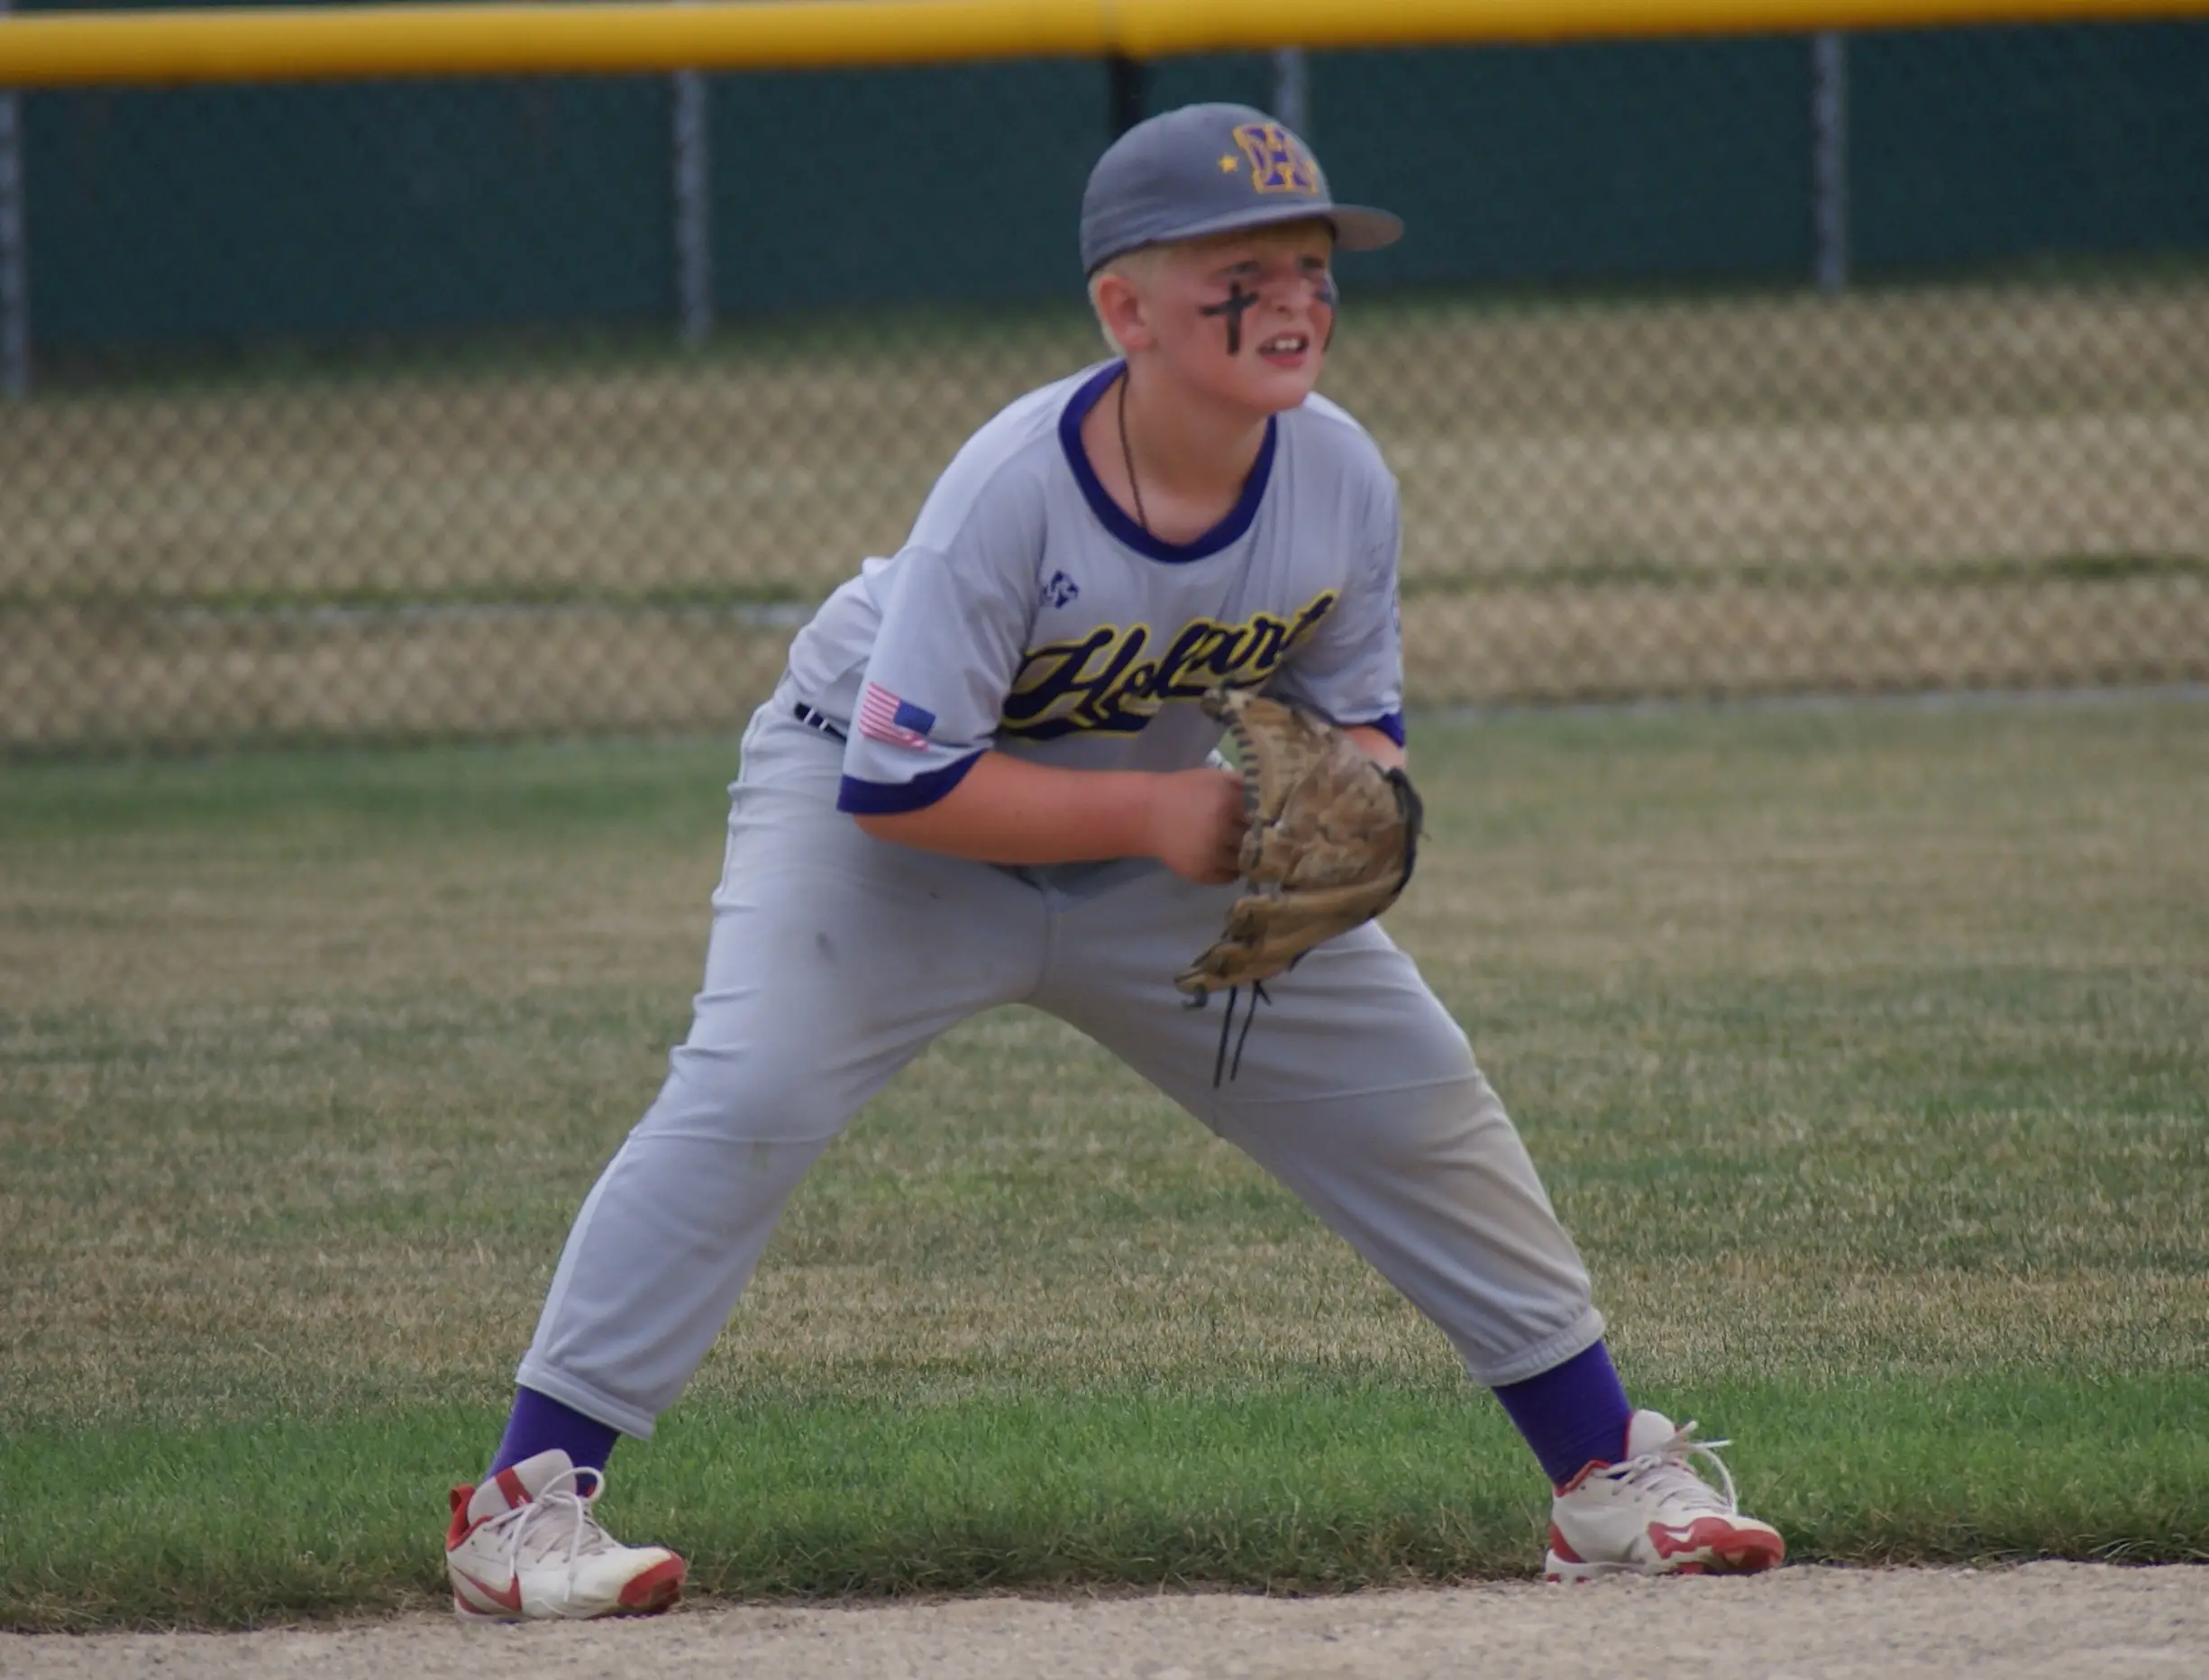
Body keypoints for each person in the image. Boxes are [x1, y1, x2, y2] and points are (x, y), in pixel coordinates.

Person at [442, 102, 1785, 1622]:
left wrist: (1357, 807)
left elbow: (1360, 723)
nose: (1291, 300)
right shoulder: (1011, 484)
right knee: (748, 1095)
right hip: (883, 829)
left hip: (1169, 840)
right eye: (1240, 274)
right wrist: (1158, 819)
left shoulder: (1339, 476)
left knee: (1413, 1095)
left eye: (1312, 267)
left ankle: (1601, 1478)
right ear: (1124, 311)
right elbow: (900, 781)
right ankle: (520, 1510)